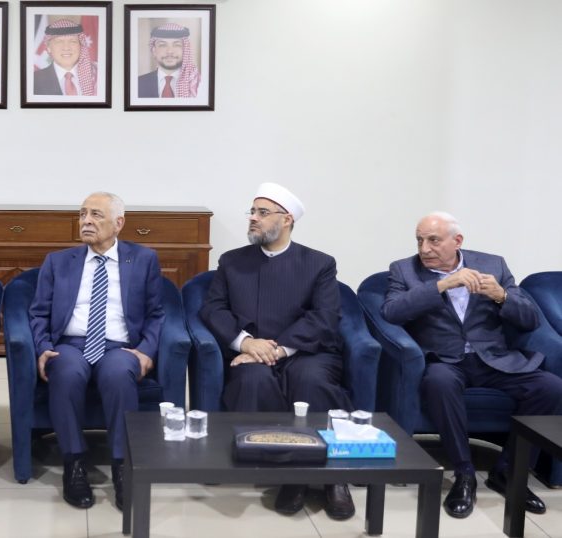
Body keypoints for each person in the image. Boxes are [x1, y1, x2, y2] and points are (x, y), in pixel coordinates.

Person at [381, 211, 562, 519]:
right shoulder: (404, 270)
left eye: (433, 240)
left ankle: (508, 472)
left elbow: (530, 319)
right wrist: (441, 285)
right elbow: (391, 311)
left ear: (457, 241)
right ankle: (464, 474)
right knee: (439, 383)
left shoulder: (494, 265)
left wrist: (501, 296)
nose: (424, 248)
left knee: (551, 387)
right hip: (445, 360)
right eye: (420, 240)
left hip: (494, 358)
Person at [198, 182, 356, 520]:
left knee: (311, 381)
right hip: (250, 352)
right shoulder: (232, 261)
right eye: (252, 211)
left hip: (307, 351)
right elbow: (213, 309)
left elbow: (325, 317)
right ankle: (292, 474)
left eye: (262, 212)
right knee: (252, 379)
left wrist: (278, 350)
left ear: (286, 220)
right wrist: (245, 343)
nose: (253, 218)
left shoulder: (319, 263)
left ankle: (334, 477)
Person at [30, 192, 163, 510]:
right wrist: (44, 347)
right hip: (71, 343)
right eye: (82, 214)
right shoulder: (58, 261)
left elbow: (157, 313)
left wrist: (146, 350)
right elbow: (38, 312)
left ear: (118, 223)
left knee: (118, 375)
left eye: (96, 215)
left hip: (120, 345)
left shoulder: (143, 259)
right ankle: (74, 464)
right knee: (65, 371)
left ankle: (122, 467)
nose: (86, 221)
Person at [33, 19, 97, 96]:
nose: (66, 48)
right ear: (49, 48)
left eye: (73, 41)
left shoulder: (97, 76)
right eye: (59, 42)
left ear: (81, 46)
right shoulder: (34, 81)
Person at [137, 23, 201, 98]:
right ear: (154, 51)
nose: (170, 51)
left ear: (185, 50)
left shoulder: (198, 84)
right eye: (163, 45)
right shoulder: (137, 84)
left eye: (177, 45)